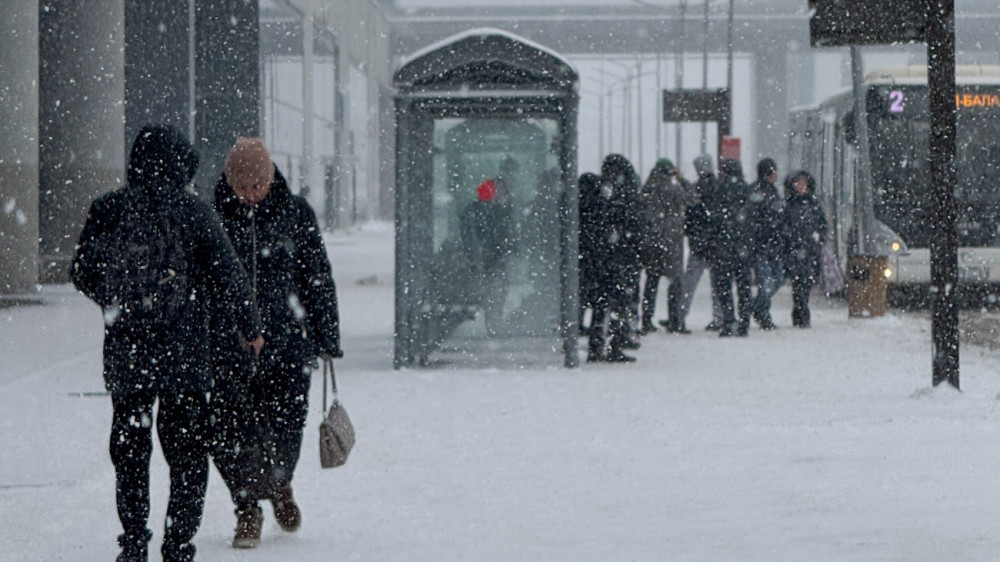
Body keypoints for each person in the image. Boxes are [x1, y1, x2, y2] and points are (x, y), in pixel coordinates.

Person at [71, 125, 264, 562]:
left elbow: (81, 270)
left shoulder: (109, 209)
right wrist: (250, 326)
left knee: (131, 454)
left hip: (128, 354)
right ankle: (178, 544)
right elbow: (229, 275)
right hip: (184, 355)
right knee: (188, 456)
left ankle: (134, 541)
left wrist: (118, 301)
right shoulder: (194, 212)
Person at [210, 138, 342, 548]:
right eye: (242, 186)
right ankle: (247, 508)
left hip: (286, 342)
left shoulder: (295, 215)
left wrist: (326, 335)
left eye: (257, 185)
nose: (250, 194)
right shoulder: (213, 217)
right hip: (230, 345)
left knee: (287, 423)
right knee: (232, 430)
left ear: (270, 179)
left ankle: (281, 484)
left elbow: (317, 277)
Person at [587, 154, 642, 363]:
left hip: (602, 257)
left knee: (602, 305)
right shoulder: (621, 196)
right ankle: (615, 344)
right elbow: (632, 223)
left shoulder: (600, 194)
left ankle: (598, 344)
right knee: (619, 302)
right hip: (618, 257)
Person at [638, 158, 696, 334]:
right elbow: (693, 199)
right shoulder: (674, 189)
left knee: (652, 281)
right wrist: (682, 179)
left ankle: (646, 319)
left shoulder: (647, 189)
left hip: (652, 240)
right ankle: (675, 320)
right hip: (671, 241)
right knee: (675, 282)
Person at [671, 154, 725, 333]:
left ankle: (680, 315)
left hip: (699, 244)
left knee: (689, 283)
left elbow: (691, 208)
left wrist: (691, 232)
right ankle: (719, 318)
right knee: (717, 284)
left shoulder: (697, 189)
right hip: (716, 243)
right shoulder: (719, 188)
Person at [703, 158, 754, 337]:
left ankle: (729, 321)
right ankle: (745, 322)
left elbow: (711, 220)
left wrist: (711, 243)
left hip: (722, 247)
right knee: (744, 287)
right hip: (742, 248)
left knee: (723, 287)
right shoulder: (747, 190)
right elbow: (753, 220)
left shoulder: (717, 190)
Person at [460, 174, 515, 336]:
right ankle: (493, 326)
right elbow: (482, 238)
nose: (502, 194)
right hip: (489, 262)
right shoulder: (489, 212)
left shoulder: (484, 210)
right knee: (494, 294)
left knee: (495, 294)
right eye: (499, 190)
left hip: (489, 261)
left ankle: (493, 325)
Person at [781, 170, 827, 328]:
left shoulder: (813, 204)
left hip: (809, 250)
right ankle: (801, 312)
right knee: (798, 283)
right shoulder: (789, 204)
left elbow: (822, 225)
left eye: (803, 183)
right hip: (794, 249)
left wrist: (819, 240)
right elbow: (783, 226)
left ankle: (801, 310)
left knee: (806, 283)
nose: (800, 186)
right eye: (797, 183)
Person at [745, 157, 785, 330]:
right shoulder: (762, 192)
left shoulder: (769, 191)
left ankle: (755, 307)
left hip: (770, 243)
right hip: (762, 244)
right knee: (768, 280)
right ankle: (762, 312)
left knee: (775, 279)